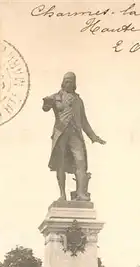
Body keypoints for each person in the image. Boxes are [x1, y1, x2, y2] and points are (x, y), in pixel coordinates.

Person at [42, 72, 106, 201]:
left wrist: (94, 137)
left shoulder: (78, 101)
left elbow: (84, 122)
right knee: (60, 164)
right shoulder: (56, 97)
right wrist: (47, 103)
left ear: (74, 83)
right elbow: (46, 108)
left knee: (80, 162)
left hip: (75, 135)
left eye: (71, 81)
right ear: (62, 82)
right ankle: (62, 194)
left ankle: (81, 193)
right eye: (66, 80)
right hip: (60, 134)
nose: (68, 83)